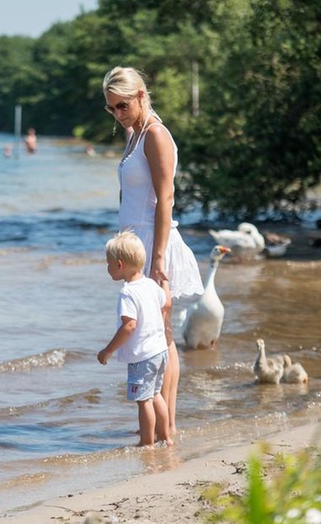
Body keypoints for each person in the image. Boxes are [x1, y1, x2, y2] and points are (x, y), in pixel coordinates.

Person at [103, 66, 204, 436]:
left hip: (153, 243)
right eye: (111, 108)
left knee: (161, 335)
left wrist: (158, 257)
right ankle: (158, 423)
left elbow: (166, 198)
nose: (118, 113)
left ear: (142, 95)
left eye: (123, 105)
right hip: (135, 244)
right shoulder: (134, 134)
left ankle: (169, 425)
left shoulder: (155, 135)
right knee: (149, 335)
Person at [98, 231, 172, 446]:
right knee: (156, 395)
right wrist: (165, 283)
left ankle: (147, 443)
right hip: (160, 351)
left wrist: (108, 350)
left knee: (143, 400)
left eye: (108, 263)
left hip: (143, 356)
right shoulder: (150, 284)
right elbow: (165, 304)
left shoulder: (128, 293)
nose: (107, 268)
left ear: (120, 265)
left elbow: (129, 325)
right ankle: (166, 438)